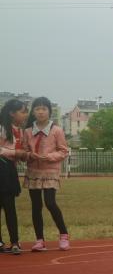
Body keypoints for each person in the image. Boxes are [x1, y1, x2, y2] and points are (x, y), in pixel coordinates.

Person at [24, 97, 70, 251]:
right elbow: (24, 151)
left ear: (50, 111)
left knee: (50, 202)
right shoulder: (28, 131)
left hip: (50, 171)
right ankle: (40, 240)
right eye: (37, 109)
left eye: (44, 109)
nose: (41, 112)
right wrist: (29, 155)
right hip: (33, 171)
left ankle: (63, 235)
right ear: (33, 112)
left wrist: (49, 157)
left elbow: (63, 151)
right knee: (36, 206)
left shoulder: (56, 130)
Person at [0, 99, 30, 255]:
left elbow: (20, 152)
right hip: (2, 168)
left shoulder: (20, 131)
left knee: (10, 206)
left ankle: (14, 242)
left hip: (9, 170)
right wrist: (15, 153)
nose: (26, 114)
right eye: (23, 111)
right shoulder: (2, 128)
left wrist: (24, 155)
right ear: (12, 113)